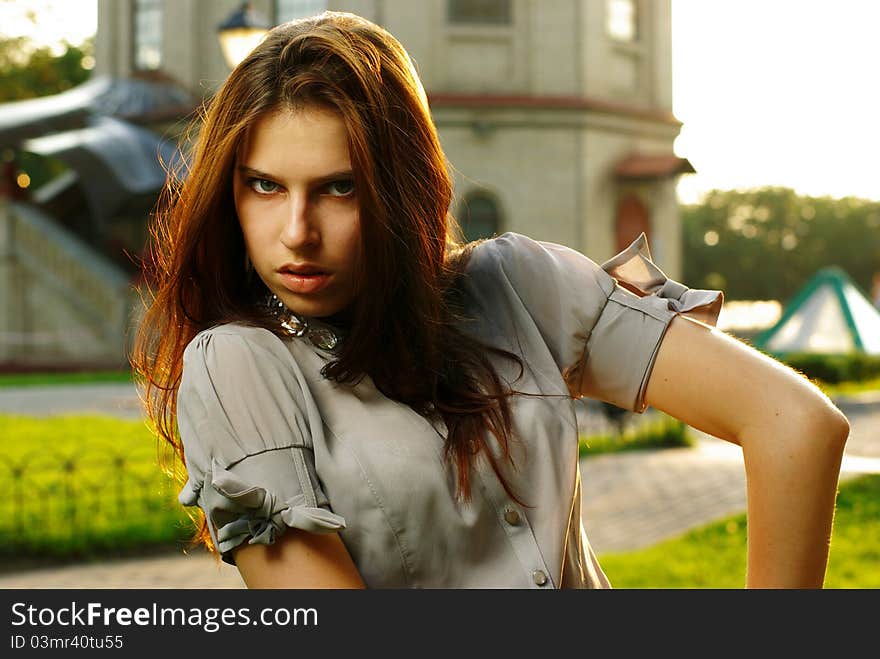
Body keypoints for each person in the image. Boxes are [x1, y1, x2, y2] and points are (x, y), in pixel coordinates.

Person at [132, 11, 849, 589]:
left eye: (338, 187)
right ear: (230, 193)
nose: (297, 232)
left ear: (398, 191)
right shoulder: (236, 366)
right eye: (265, 185)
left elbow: (798, 425)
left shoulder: (519, 286)